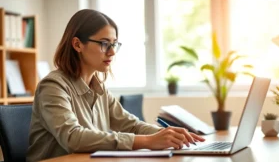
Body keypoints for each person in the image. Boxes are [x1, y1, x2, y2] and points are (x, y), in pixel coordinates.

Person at [26, 9, 205, 162]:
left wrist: (167, 135)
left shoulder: (99, 87)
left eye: (114, 44)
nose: (112, 52)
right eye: (104, 44)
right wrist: (147, 141)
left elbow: (131, 124)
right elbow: (73, 137)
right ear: (77, 44)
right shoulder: (53, 86)